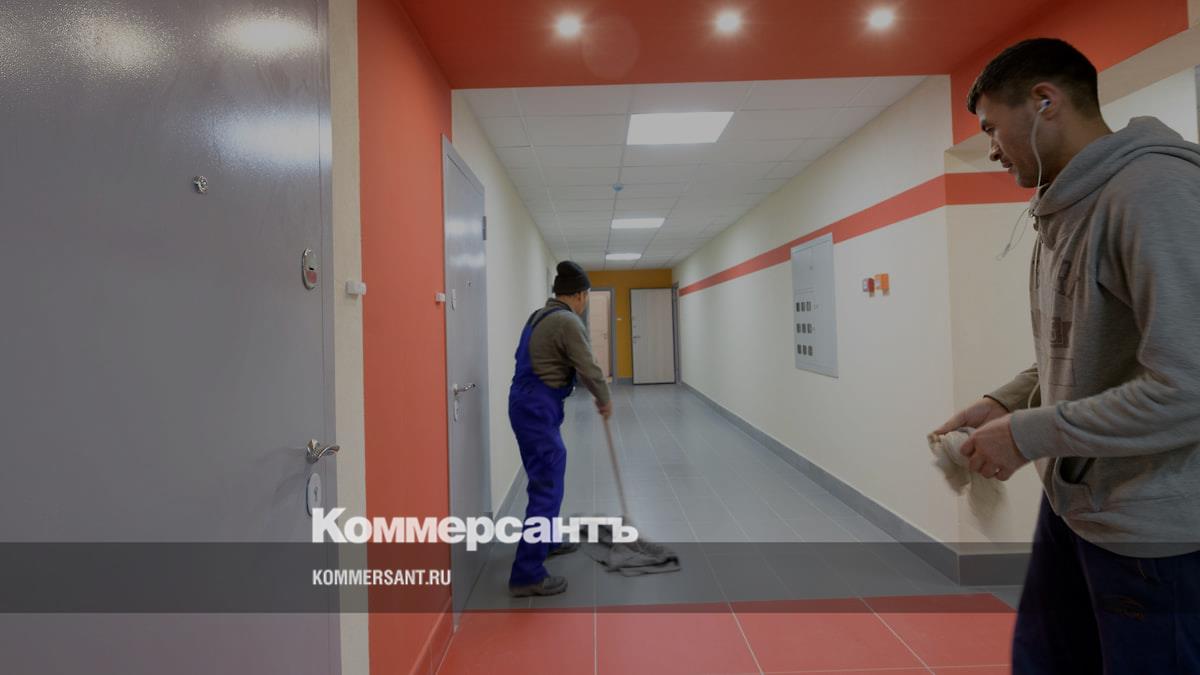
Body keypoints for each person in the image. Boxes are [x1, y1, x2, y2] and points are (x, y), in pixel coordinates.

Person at [934, 37, 1200, 673]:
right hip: (1076, 504)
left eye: (992, 128)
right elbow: (1081, 349)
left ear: (1044, 101)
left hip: (1151, 532)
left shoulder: (1154, 192)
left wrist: (1025, 435)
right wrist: (1007, 402)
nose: (991, 148)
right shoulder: (1065, 206)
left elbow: (1188, 386)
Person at [507, 260, 613, 597]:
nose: (585, 301)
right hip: (537, 407)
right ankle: (527, 574)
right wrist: (604, 399)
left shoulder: (538, 316)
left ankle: (548, 541)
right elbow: (589, 367)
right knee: (547, 484)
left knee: (545, 477)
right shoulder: (567, 321)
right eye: (587, 296)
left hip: (528, 403)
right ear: (579, 295)